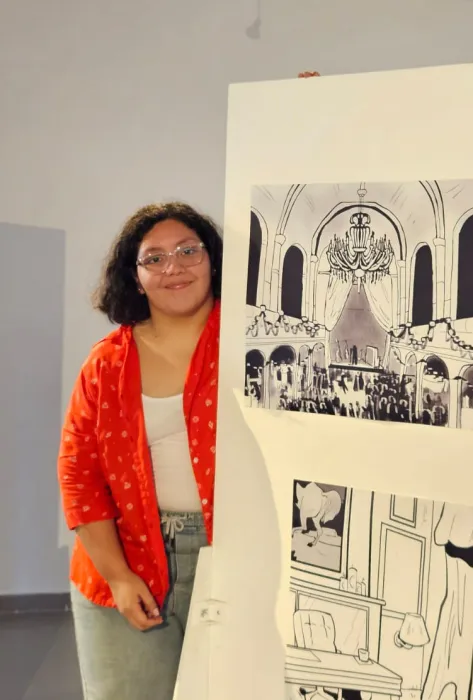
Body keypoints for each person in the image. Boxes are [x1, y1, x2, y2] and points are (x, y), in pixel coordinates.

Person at [58, 72, 320, 700]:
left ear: (213, 259)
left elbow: (299, 225)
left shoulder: (255, 339)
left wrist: (306, 121)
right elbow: (79, 476)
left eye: (188, 250)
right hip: (125, 557)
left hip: (241, 554)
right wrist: (118, 576)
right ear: (135, 276)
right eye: (154, 257)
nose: (173, 267)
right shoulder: (107, 363)